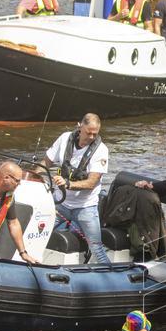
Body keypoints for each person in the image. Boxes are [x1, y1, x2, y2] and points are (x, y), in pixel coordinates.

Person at [43, 113, 111, 265]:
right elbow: (46, 162)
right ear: (80, 126)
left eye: (95, 134)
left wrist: (67, 184)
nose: (91, 137)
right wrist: (32, 176)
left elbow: (91, 183)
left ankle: (110, 273)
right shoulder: (64, 138)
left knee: (97, 249)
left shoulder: (101, 150)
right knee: (37, 233)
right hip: (60, 203)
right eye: (88, 133)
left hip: (85, 207)